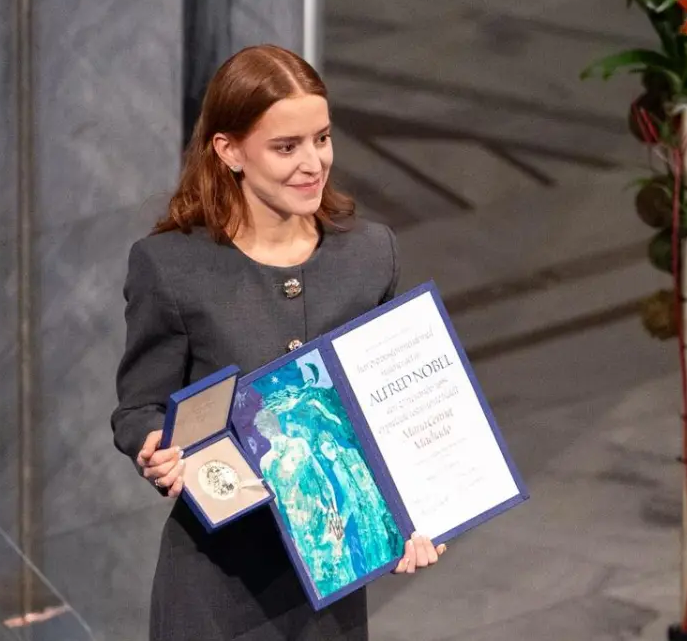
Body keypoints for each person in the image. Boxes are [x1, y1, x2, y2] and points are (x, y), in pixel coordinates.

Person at [110, 44, 446, 641]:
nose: (313, 163)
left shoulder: (369, 254)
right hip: (218, 584)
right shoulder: (171, 266)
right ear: (229, 150)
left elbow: (391, 410)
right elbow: (139, 407)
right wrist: (155, 446)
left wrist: (415, 512)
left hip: (335, 587)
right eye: (286, 147)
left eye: (321, 138)